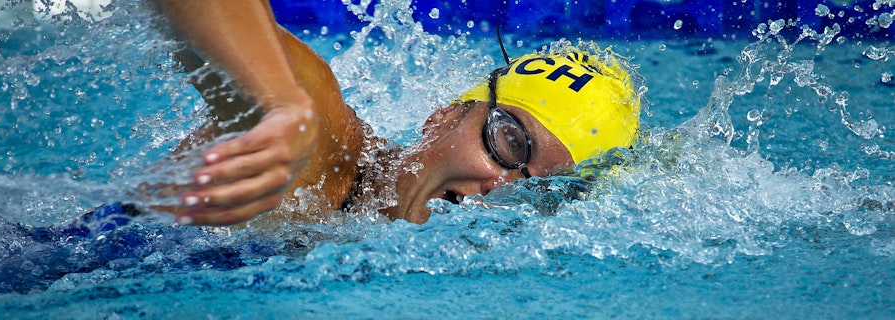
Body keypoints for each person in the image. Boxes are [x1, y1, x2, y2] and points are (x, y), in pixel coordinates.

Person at [151, 0, 641, 226]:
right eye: (510, 143)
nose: (503, 186)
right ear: (444, 116)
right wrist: (280, 102)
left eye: (541, 190)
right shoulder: (318, 145)